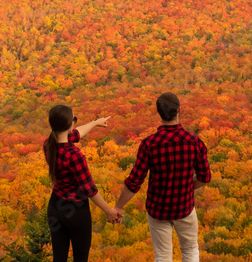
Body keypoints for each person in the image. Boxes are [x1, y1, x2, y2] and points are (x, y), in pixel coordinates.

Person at [114, 92, 211, 262]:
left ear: (159, 113)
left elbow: (134, 182)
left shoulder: (149, 144)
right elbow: (204, 177)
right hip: (185, 208)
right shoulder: (194, 141)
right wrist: (188, 186)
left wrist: (118, 207)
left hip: (157, 209)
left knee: (162, 256)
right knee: (190, 250)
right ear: (180, 110)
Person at [42, 104, 122, 262]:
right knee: (80, 258)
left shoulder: (48, 144)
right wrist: (109, 211)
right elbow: (89, 190)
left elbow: (76, 134)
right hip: (76, 212)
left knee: (59, 258)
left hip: (55, 207)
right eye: (74, 119)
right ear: (71, 124)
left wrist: (95, 123)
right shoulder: (74, 155)